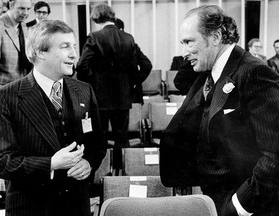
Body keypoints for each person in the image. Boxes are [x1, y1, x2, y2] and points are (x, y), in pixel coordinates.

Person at [160, 5, 279, 216]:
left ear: (215, 37)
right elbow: (180, 81)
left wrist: (240, 205)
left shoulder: (254, 72)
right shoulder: (210, 69)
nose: (184, 52)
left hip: (244, 205)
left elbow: (275, 153)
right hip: (213, 197)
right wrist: (199, 51)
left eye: (189, 41)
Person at [0, 19, 106, 216]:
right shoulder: (6, 96)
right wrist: (51, 164)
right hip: (31, 208)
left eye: (74, 46)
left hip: (76, 206)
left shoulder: (84, 91)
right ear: (40, 52)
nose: (74, 54)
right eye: (65, 47)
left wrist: (88, 163)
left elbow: (97, 142)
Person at [76, 4, 150, 168]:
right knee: (122, 137)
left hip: (99, 98)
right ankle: (122, 171)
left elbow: (81, 66)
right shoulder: (128, 38)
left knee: (99, 137)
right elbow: (147, 65)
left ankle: (103, 173)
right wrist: (132, 82)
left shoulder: (94, 37)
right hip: (123, 97)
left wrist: (90, 85)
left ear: (96, 19)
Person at [0, 0, 33, 93]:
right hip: (3, 90)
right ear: (11, 5)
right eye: (22, 8)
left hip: (21, 87)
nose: (25, 13)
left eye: (28, 9)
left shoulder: (22, 24)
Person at [114, 17, 152, 104]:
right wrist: (135, 80)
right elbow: (147, 65)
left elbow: (147, 65)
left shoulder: (106, 47)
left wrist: (135, 80)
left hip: (116, 94)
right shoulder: (132, 45)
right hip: (131, 92)